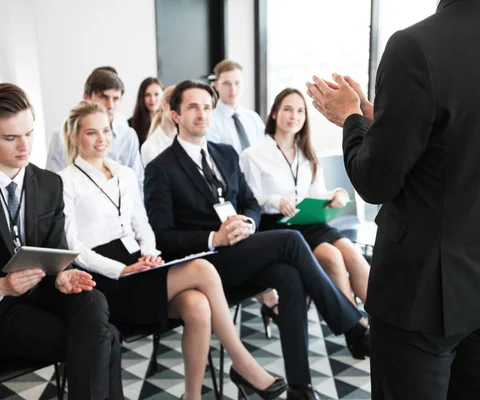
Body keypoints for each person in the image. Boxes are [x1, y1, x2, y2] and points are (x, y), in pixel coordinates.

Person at [306, 0, 480, 398]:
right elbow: (469, 139)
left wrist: (351, 119)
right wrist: (387, 123)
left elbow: (374, 182)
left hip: (422, 291)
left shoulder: (415, 45)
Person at [145, 80, 371, 400]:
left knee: (290, 276)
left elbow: (249, 202)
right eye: (193, 107)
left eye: (207, 107)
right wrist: (214, 237)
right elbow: (162, 236)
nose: (202, 114)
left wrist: (248, 223)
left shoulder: (224, 155)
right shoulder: (160, 168)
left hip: (238, 252)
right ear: (175, 115)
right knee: (292, 240)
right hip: (203, 263)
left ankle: (300, 387)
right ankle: (352, 325)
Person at [59, 100, 286, 400]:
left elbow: (143, 225)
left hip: (138, 263)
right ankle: (243, 363)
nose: (102, 139)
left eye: (106, 130)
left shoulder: (124, 173)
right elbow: (73, 246)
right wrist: (121, 270)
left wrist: (149, 253)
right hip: (105, 276)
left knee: (197, 306)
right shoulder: (64, 180)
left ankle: (191, 397)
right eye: (91, 133)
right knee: (203, 269)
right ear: (75, 137)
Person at [0, 83, 123, 399]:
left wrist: (62, 274)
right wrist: (1, 287)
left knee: (94, 300)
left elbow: (56, 249)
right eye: (10, 138)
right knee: (107, 337)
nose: (25, 146)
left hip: (42, 293)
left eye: (29, 133)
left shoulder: (50, 184)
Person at [240, 88, 371, 337]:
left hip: (309, 219)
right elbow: (251, 201)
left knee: (353, 255)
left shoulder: (307, 153)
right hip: (278, 225)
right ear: (275, 114)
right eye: (288, 109)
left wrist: (336, 195)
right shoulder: (253, 155)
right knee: (332, 257)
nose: (294, 116)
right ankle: (357, 331)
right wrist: (276, 201)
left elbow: (316, 192)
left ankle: (385, 325)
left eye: (300, 111)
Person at [45, 68, 144, 188]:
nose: (110, 105)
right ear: (86, 97)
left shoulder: (128, 136)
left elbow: (138, 183)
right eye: (103, 97)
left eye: (116, 99)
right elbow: (53, 184)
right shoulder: (60, 136)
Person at [209, 60, 265, 154]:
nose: (233, 89)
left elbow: (264, 151)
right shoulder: (211, 121)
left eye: (237, 83)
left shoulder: (253, 118)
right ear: (217, 86)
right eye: (227, 83)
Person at [141, 84, 177, 166]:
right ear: (164, 104)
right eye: (175, 105)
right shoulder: (150, 147)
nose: (179, 111)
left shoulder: (185, 140)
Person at [128, 77, 164, 146]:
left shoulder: (170, 122)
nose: (152, 99)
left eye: (156, 94)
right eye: (147, 95)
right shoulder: (131, 124)